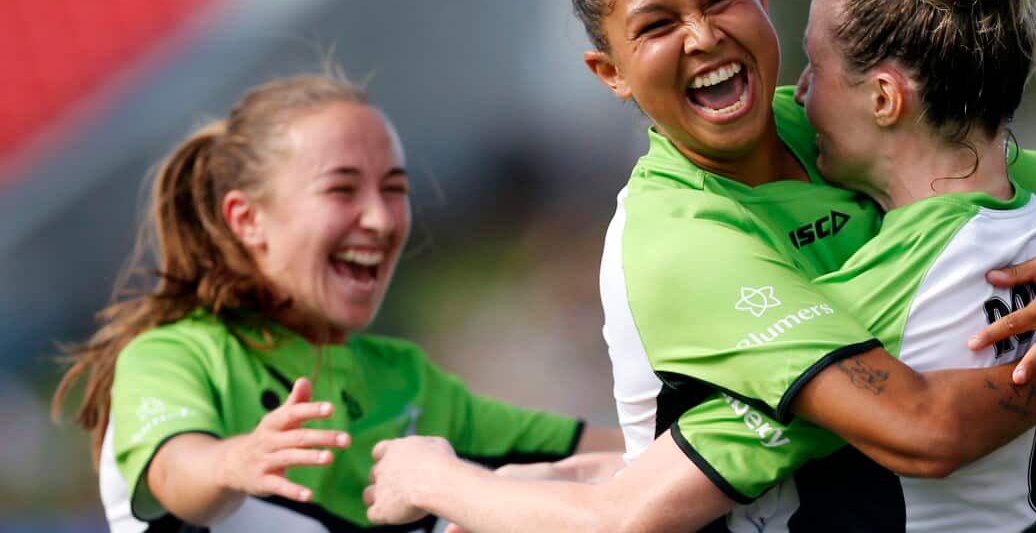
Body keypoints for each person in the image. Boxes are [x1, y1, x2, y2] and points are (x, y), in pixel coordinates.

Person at [364, 0, 1036, 531]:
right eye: (656, 25)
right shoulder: (683, 239)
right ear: (608, 73)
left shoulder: (857, 163)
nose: (702, 37)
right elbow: (639, 501)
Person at [52, 72, 620, 532]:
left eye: (394, 189)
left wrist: (698, 445)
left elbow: (607, 454)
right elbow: (177, 475)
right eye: (341, 189)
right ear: (247, 220)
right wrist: (234, 460)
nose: (379, 218)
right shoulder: (174, 354)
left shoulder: (406, 379)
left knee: (548, 484)